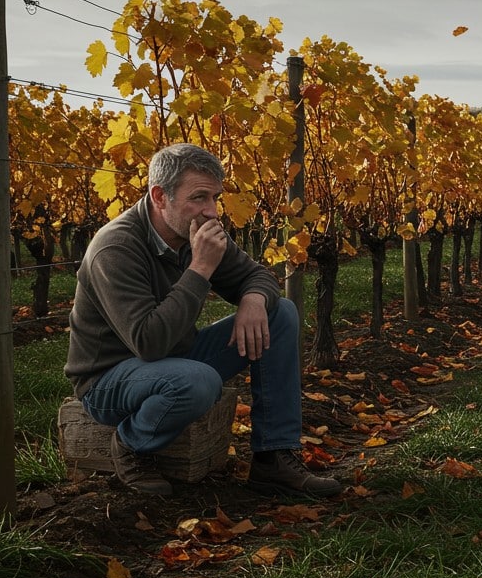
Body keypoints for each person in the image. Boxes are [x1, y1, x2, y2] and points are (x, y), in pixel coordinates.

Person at [64, 143, 341, 498]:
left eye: (214, 198)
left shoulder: (194, 229)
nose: (211, 211)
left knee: (281, 313)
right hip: (110, 379)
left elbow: (258, 277)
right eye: (198, 198)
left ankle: (273, 457)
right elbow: (149, 342)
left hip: (176, 356)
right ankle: (131, 443)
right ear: (160, 197)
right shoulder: (115, 248)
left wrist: (254, 298)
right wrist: (201, 267)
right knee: (198, 380)